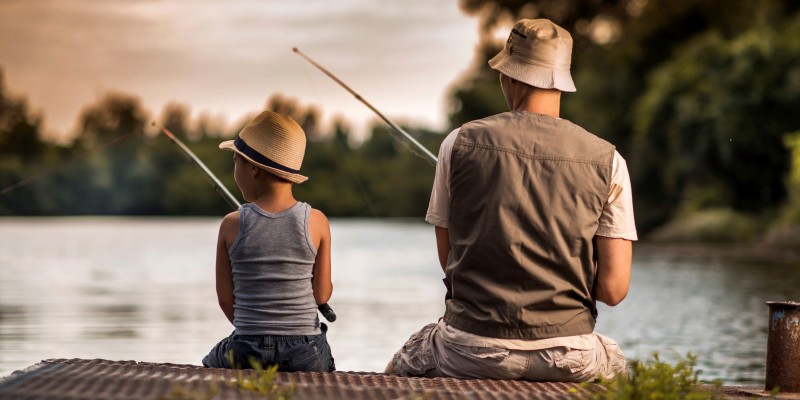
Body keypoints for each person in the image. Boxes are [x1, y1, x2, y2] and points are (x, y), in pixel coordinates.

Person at [387, 19, 637, 382]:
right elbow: (613, 291)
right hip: (570, 356)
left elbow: (449, 260)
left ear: (510, 76)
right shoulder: (609, 160)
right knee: (628, 376)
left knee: (396, 367)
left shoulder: (456, 144)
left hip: (468, 350)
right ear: (561, 82)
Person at [202, 110, 335, 372]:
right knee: (322, 358)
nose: (234, 168)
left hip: (246, 348)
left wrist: (255, 333)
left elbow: (226, 300)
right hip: (305, 351)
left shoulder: (231, 224)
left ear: (252, 168)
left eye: (235, 161)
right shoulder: (317, 221)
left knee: (210, 362)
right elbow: (322, 294)